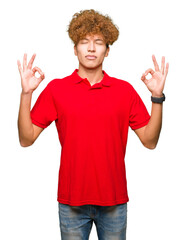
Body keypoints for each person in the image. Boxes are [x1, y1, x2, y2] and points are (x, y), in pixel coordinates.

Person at [17, 9, 169, 240]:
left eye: (98, 42)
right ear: (75, 48)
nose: (90, 48)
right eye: (84, 42)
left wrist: (157, 98)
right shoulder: (57, 89)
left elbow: (150, 141)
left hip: (114, 203)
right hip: (71, 204)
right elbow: (26, 139)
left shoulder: (124, 91)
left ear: (107, 51)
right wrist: (26, 93)